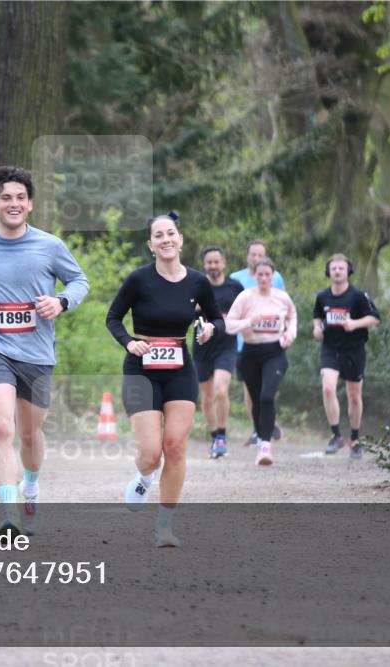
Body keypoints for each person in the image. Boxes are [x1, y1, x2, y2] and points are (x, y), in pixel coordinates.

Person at [0, 166, 89, 540]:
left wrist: (61, 301)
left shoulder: (50, 245)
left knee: (30, 434)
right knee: (3, 427)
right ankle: (8, 516)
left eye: (20, 198)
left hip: (37, 353)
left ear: (31, 205)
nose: (14, 203)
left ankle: (32, 489)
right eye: (6, 197)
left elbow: (79, 280)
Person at [106, 213, 222, 547]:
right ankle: (144, 479)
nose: (166, 239)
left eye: (170, 233)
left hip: (180, 369)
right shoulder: (139, 280)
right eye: (159, 235)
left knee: (175, 445)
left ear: (180, 238)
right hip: (141, 369)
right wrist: (129, 341)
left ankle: (165, 526)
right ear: (151, 244)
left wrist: (211, 328)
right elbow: (113, 318)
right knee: (150, 453)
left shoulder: (198, 282)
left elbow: (216, 318)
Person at [225, 258, 297, 466]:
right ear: (254, 276)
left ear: (273, 276)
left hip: (275, 352)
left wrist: (290, 334)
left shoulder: (282, 298)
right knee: (257, 400)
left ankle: (265, 445)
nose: (264, 278)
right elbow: (229, 325)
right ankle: (261, 438)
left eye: (268, 274)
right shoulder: (245, 297)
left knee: (267, 397)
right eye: (260, 274)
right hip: (249, 353)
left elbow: (292, 317)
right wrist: (249, 322)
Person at [312, 253, 381, 459]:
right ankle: (336, 435)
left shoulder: (358, 295)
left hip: (354, 349)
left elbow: (375, 318)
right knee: (327, 388)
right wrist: (317, 328)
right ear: (328, 272)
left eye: (341, 268)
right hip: (330, 348)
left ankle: (355, 438)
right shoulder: (322, 296)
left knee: (354, 396)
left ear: (348, 271)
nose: (337, 271)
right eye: (334, 268)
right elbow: (317, 317)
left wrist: (355, 324)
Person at [229, 241, 286, 447]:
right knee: (249, 386)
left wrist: (285, 334)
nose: (255, 258)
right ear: (247, 256)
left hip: (270, 341)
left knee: (267, 388)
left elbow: (283, 307)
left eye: (259, 254)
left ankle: (267, 421)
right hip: (242, 342)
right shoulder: (235, 279)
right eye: (252, 254)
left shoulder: (276, 278)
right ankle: (257, 427)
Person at [192, 246, 245, 458]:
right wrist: (193, 309)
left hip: (226, 346)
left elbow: (245, 311)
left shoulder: (235, 287)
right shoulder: (197, 286)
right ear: (204, 265)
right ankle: (214, 436)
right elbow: (183, 314)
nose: (213, 266)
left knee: (221, 390)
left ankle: (222, 436)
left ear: (223, 263)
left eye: (216, 262)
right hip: (202, 347)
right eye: (209, 262)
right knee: (207, 397)